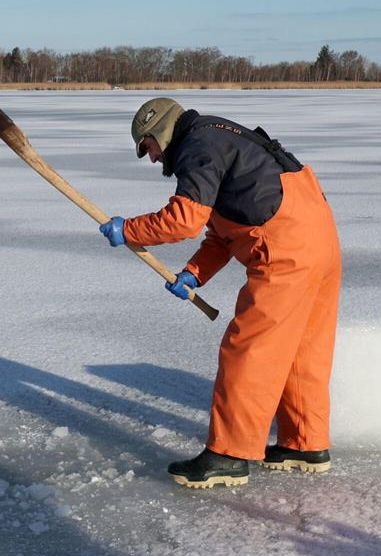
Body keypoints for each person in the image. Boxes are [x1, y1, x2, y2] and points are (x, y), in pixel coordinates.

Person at [100, 98, 342, 489]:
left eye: (148, 147)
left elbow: (184, 220)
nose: (151, 158)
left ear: (159, 132)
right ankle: (304, 443)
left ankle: (229, 455)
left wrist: (129, 230)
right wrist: (195, 274)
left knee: (249, 350)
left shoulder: (197, 146)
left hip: (286, 252)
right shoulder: (218, 136)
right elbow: (224, 228)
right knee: (302, 350)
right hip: (319, 242)